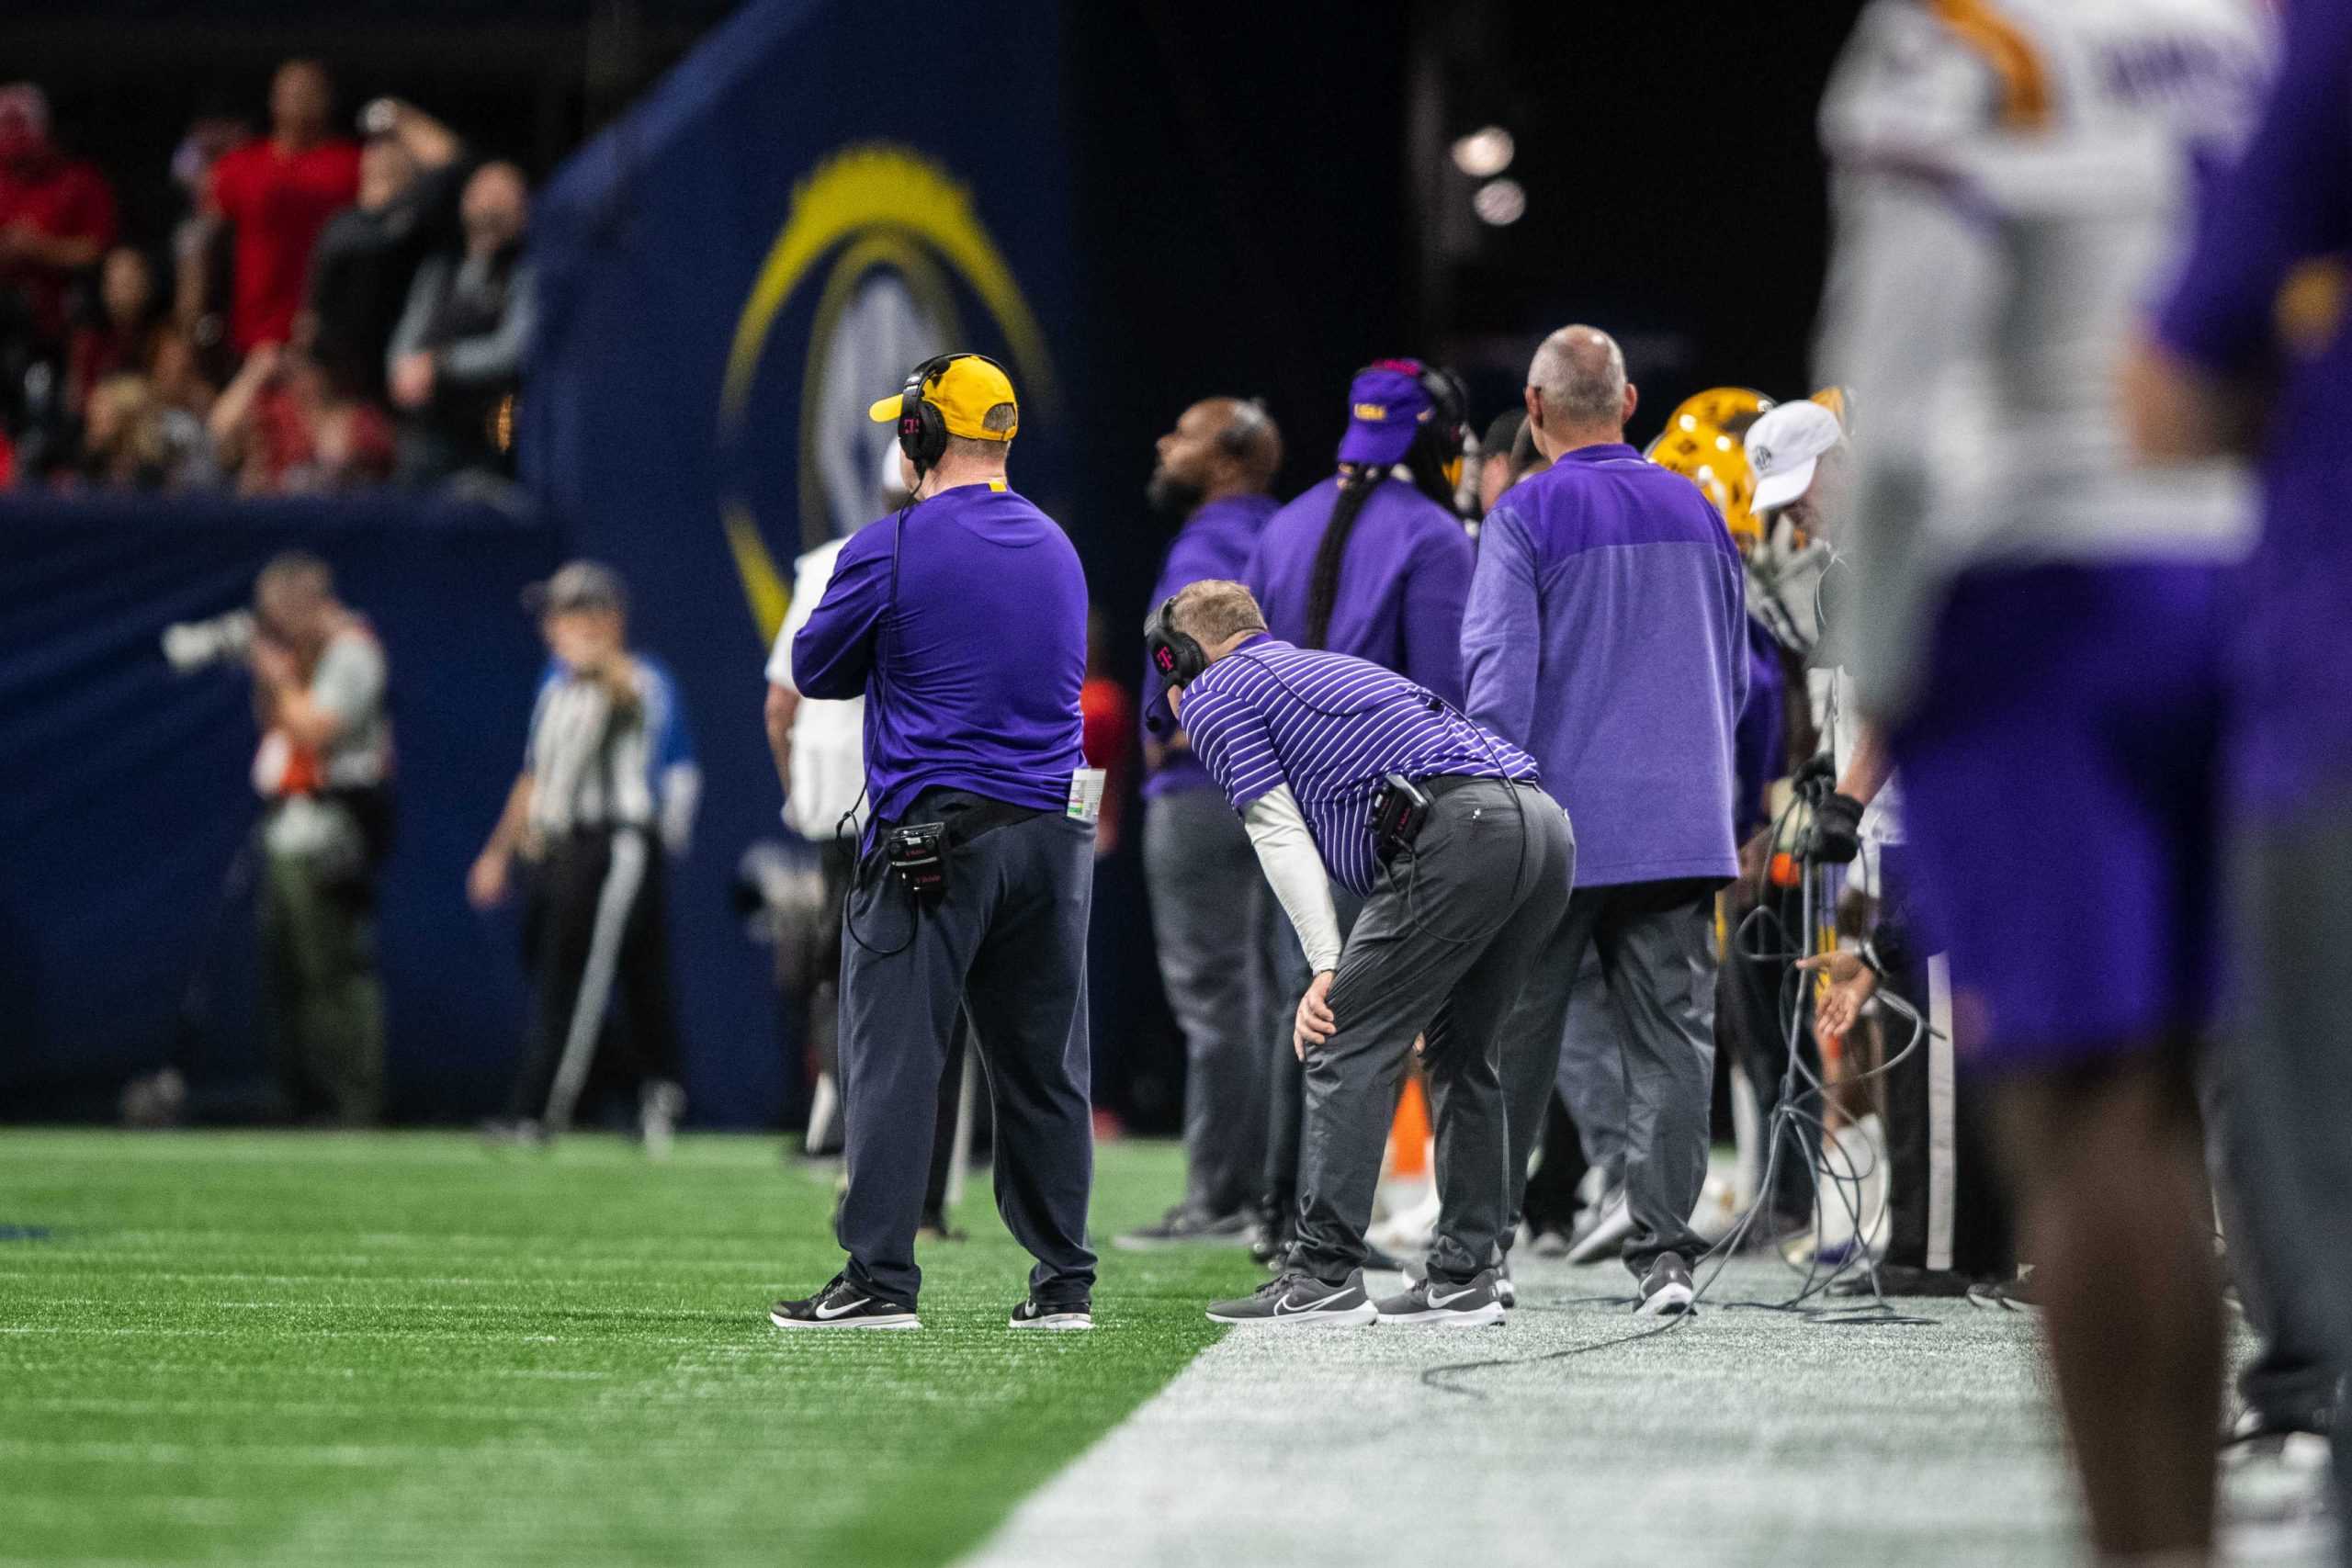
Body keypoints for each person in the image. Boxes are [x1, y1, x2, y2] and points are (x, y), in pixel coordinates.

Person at [1816, 1, 2267, 1560]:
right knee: (2177, 1105)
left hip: (2048, 590)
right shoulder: (2239, 30)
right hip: (2243, 571)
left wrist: (1878, 667)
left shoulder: (1968, 34)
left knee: (2081, 1117)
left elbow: (1904, 397)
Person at [2129, 0, 2352, 1539]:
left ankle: (2311, 1396)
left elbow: (2171, 389)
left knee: (2279, 1102)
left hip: (2319, 686)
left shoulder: (2300, 50)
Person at [769, 353, 1099, 1332]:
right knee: (1044, 1067)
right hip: (1052, 834)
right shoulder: (1055, 545)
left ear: (919, 435)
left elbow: (817, 668)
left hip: (935, 840)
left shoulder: (891, 543)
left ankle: (878, 1278)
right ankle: (1063, 1285)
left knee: (893, 1059)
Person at [1147, 581, 1567, 1327]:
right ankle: (1465, 1273)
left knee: (1340, 1035)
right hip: (1541, 823)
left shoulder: (1216, 690)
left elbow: (1277, 833)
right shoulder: (1319, 669)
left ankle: (1323, 1274)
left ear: (1179, 656)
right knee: (1464, 1050)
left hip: (1461, 827)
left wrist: (1326, 965)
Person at [1464, 325, 1748, 1315]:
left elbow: (1497, 685)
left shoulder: (1522, 515)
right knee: (1672, 1044)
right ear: (1629, 406)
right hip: (1683, 824)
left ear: (1532, 412)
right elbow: (1737, 676)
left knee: (1506, 1043)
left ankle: (1478, 1259)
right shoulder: (1700, 507)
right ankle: (1666, 1256)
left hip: (1553, 828)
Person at [1246, 358, 1472, 1263]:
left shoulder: (1282, 527)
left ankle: (1275, 1210)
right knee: (1364, 1016)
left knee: (1302, 1000)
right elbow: (1443, 699)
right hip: (1383, 812)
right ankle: (1315, 1226)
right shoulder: (1432, 537)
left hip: (1281, 800)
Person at [1119, 396, 1289, 1250]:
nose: (1164, 441)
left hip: (1203, 784)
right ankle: (1272, 1192)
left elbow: (1193, 669)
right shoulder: (1292, 530)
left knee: (1219, 1000)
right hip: (1277, 790)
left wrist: (1167, 730)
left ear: (1228, 454)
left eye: (1182, 432)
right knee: (1268, 994)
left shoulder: (1210, 540)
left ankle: (1225, 1195)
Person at [469, 562, 696, 1154]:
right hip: (567, 844)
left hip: (617, 841)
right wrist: (501, 849)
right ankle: (656, 1090)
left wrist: (599, 656)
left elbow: (629, 695)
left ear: (600, 619)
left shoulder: (634, 678)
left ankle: (541, 1111)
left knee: (585, 976)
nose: (551, 626)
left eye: (565, 614)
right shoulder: (557, 685)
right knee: (618, 975)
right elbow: (535, 774)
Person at [247, 553, 393, 1125]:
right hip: (288, 826)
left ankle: (353, 1103)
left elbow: (313, 728)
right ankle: (300, 1098)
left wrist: (280, 678)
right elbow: (279, 727)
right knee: (289, 976)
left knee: (334, 974)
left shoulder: (351, 651)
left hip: (333, 829)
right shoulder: (307, 657)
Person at [305, 99, 468, 403]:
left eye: (392, 146)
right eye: (374, 146)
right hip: (344, 391)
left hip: (407, 385)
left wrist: (400, 116)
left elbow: (451, 162)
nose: (381, 153)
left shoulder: (417, 218)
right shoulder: (344, 227)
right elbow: (313, 319)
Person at [202, 61, 361, 356]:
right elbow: (209, 240)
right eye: (292, 91)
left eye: (311, 91)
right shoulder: (239, 165)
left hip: (327, 334)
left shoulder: (353, 165)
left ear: (329, 101)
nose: (301, 99)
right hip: (252, 332)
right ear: (274, 99)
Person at [387, 162, 532, 483]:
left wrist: (442, 364)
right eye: (484, 193)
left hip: (495, 428)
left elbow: (514, 349)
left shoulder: (525, 274)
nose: (491, 205)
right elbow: (409, 334)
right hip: (430, 428)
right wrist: (402, 369)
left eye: (503, 196)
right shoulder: (440, 270)